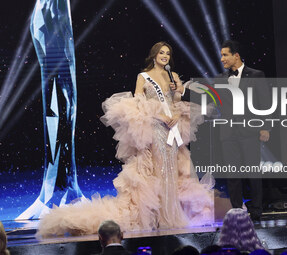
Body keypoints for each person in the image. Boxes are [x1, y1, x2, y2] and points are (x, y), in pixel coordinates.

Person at [36, 41, 214, 237]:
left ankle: (169, 214)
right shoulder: (143, 77)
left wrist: (178, 93)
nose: (165, 56)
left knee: (172, 172)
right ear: (154, 55)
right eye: (162, 52)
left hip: (172, 130)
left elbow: (176, 103)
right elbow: (138, 103)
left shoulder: (174, 76)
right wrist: (160, 116)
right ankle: (154, 217)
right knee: (155, 172)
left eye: (168, 54)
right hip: (155, 129)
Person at [217, 40, 272, 220]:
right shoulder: (220, 79)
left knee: (253, 173)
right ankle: (236, 212)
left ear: (236, 56)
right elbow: (211, 100)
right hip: (228, 133)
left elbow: (265, 103)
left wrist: (265, 126)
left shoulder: (256, 75)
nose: (222, 58)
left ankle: (256, 211)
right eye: (222, 55)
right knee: (233, 174)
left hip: (250, 131)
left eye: (225, 55)